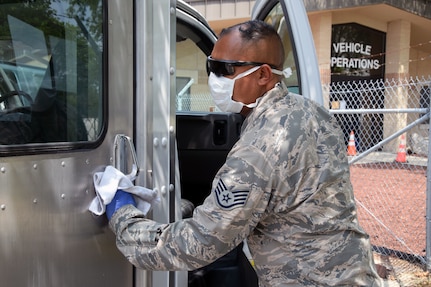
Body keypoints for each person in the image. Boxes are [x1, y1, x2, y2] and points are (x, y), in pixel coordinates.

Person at [106, 20, 382, 286]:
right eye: (210, 66)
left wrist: (125, 220)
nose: (214, 78)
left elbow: (202, 242)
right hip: (353, 273)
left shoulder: (262, 144)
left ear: (263, 74)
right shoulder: (312, 112)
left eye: (224, 68)